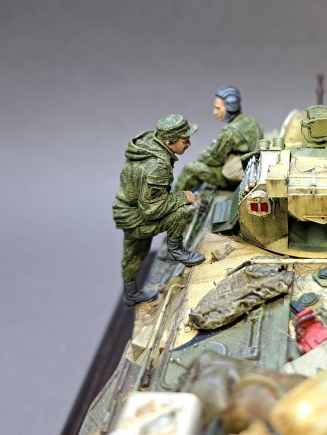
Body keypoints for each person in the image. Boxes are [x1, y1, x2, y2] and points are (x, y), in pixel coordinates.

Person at [112, 114, 206, 307]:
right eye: (184, 140)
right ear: (169, 141)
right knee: (180, 212)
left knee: (134, 253)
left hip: (126, 210)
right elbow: (151, 210)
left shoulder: (150, 144)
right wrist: (183, 197)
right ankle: (177, 251)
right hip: (136, 217)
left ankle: (131, 294)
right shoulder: (157, 166)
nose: (189, 144)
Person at [174, 86, 263, 192]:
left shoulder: (230, 132)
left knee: (191, 169)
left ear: (230, 108)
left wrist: (203, 156)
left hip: (236, 175)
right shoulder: (249, 121)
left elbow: (215, 159)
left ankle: (176, 199)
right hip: (251, 168)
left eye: (218, 108)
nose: (215, 112)